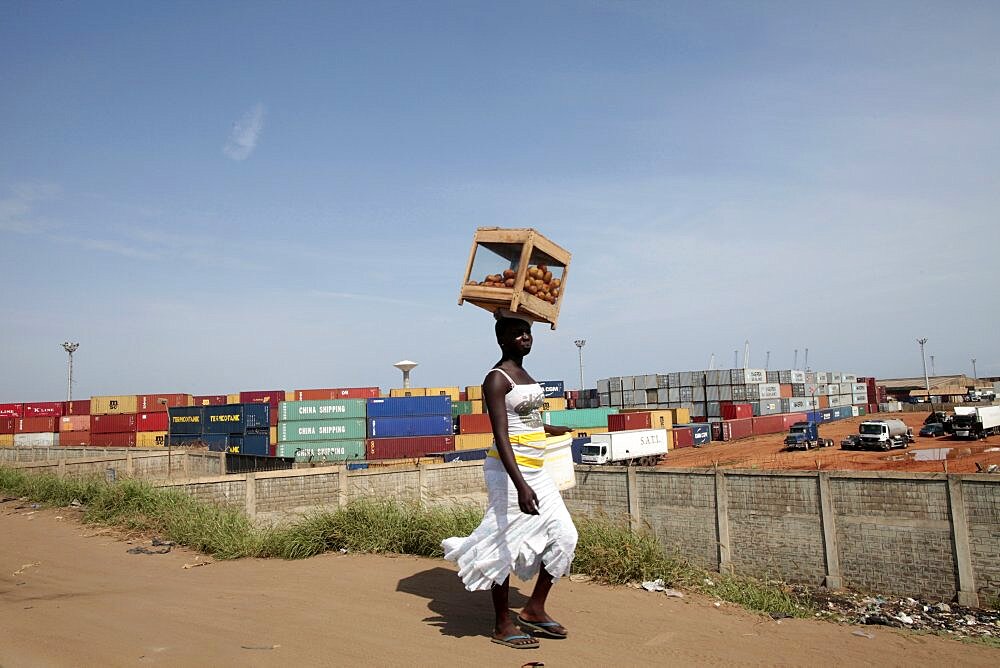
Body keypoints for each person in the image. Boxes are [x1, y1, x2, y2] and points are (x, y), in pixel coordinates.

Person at [442, 313, 578, 650]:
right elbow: (502, 436)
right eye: (517, 333)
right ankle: (502, 624)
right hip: (508, 473)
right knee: (502, 543)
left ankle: (534, 609)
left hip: (538, 472)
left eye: (528, 332)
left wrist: (552, 430)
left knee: (565, 534)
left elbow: (528, 420)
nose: (525, 337)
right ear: (502, 340)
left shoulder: (526, 375)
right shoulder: (496, 379)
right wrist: (521, 486)